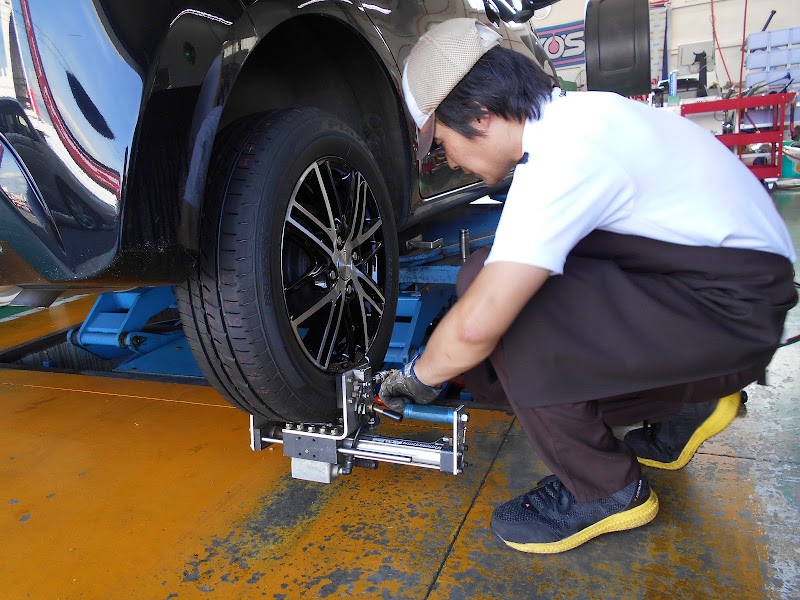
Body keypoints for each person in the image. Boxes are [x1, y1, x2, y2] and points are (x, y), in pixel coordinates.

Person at [379, 18, 797, 554]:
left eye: (442, 144)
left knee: (505, 313)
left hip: (728, 312)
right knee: (483, 282)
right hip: (725, 301)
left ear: (481, 114)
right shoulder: (583, 119)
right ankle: (695, 398)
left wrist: (418, 376)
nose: (449, 161)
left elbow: (481, 321)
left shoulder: (564, 154)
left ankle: (604, 490)